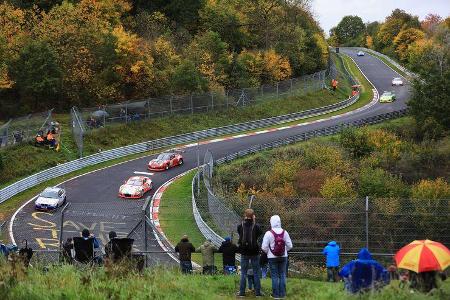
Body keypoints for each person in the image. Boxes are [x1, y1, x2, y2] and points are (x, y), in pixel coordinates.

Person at [261, 215, 293, 299]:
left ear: (271, 222)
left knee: (274, 276)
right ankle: (283, 294)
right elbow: (290, 246)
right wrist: (285, 250)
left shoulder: (268, 233)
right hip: (283, 257)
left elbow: (264, 247)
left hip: (272, 258)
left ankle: (276, 295)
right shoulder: (285, 232)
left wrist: (269, 252)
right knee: (282, 275)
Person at [237, 208, 263, 297]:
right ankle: (258, 293)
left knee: (243, 272)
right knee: (256, 272)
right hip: (254, 252)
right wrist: (254, 221)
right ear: (253, 216)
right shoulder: (256, 226)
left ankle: (241, 292)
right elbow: (259, 233)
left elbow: (239, 234)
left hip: (244, 251)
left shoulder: (240, 226)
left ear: (245, 215)